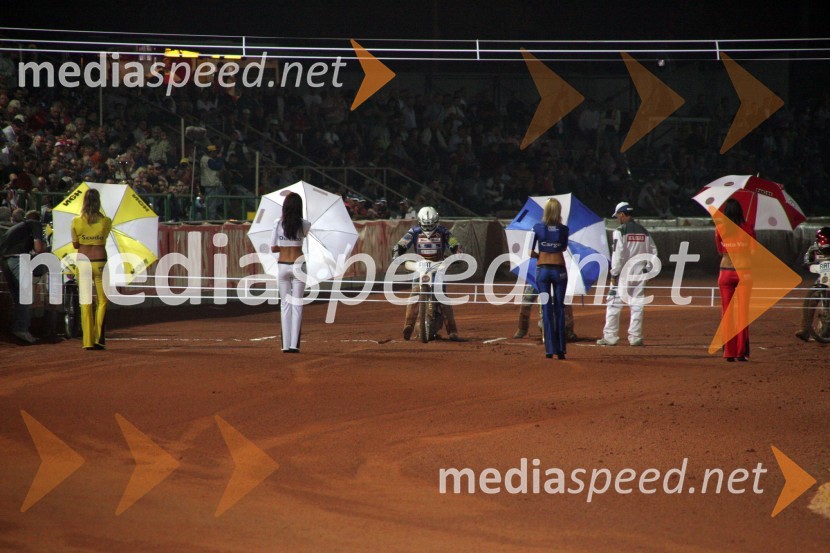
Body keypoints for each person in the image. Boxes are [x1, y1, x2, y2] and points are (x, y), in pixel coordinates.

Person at [393, 206, 461, 341]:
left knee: (442, 297)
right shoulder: (414, 232)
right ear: (420, 223)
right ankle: (408, 326)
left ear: (437, 222)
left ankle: (452, 330)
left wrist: (457, 253)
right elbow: (401, 244)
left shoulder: (443, 232)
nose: (429, 229)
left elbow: (454, 243)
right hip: (420, 266)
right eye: (426, 226)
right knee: (414, 294)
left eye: (431, 226)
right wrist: (397, 254)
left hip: (438, 265)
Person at [598, 202, 658, 347]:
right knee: (637, 304)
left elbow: (617, 254)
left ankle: (610, 336)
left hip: (624, 273)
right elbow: (653, 251)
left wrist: (614, 273)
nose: (618, 218)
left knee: (613, 303)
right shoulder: (644, 231)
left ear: (623, 214)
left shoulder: (620, 231)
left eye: (618, 215)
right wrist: (648, 269)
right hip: (640, 272)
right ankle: (635, 337)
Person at [71, 189, 112, 350]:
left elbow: (75, 245)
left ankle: (87, 341)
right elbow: (104, 238)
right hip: (100, 262)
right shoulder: (106, 221)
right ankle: (98, 339)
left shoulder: (76, 221)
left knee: (85, 302)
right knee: (102, 301)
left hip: (82, 262)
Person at [270, 192, 311, 353]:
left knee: (284, 305)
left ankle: (285, 345)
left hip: (282, 265)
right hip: (299, 264)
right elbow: (301, 238)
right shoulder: (305, 224)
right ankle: (294, 345)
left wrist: (285, 246)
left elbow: (273, 247)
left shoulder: (278, 223)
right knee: (297, 305)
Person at [715, 198, 754, 361]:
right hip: (743, 271)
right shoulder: (748, 227)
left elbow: (719, 251)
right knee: (742, 314)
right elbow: (753, 252)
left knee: (727, 313)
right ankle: (741, 353)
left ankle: (729, 353)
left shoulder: (720, 228)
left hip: (725, 272)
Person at [530, 198, 569, 359]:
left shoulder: (537, 228)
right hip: (559, 271)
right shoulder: (564, 229)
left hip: (543, 272)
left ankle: (549, 350)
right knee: (560, 309)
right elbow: (564, 248)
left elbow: (530, 252)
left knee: (546, 309)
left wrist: (541, 254)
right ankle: (561, 350)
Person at [0, 210, 44, 343]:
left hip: (5, 259)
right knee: (25, 296)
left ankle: (19, 327)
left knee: (17, 295)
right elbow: (38, 248)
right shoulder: (36, 224)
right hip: (18, 259)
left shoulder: (18, 228)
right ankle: (21, 328)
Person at [795, 226, 830, 341]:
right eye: (823, 240)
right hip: (824, 277)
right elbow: (806, 261)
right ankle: (805, 329)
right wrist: (811, 266)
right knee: (811, 300)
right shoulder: (814, 248)